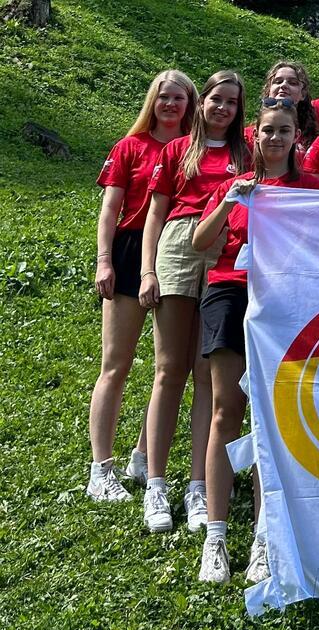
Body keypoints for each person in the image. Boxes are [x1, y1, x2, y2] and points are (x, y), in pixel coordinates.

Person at [194, 99, 319, 584]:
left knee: (272, 417)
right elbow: (200, 244)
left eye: (283, 131)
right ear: (255, 136)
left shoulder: (311, 187)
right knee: (227, 409)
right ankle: (216, 536)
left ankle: (263, 538)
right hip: (230, 292)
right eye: (267, 130)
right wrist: (231, 198)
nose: (274, 139)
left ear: (297, 137)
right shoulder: (237, 185)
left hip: (284, 303)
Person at [139, 70, 249, 533]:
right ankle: (156, 483)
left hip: (227, 250)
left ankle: (199, 486)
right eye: (215, 99)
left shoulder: (247, 152)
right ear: (201, 103)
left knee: (208, 373)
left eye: (231, 102)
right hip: (181, 241)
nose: (222, 108)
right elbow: (154, 214)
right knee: (169, 370)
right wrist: (147, 270)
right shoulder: (177, 150)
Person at [86, 70, 198, 502]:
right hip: (132, 251)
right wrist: (104, 261)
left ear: (190, 105)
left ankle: (141, 455)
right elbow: (109, 209)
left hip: (178, 254)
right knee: (116, 365)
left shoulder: (193, 150)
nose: (171, 104)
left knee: (172, 368)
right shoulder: (130, 147)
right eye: (164, 96)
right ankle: (100, 468)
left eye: (179, 98)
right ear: (153, 100)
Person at [243, 61, 318, 154]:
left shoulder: (314, 140)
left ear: (303, 94)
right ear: (268, 91)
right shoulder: (247, 136)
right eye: (278, 81)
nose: (283, 85)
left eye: (292, 83)